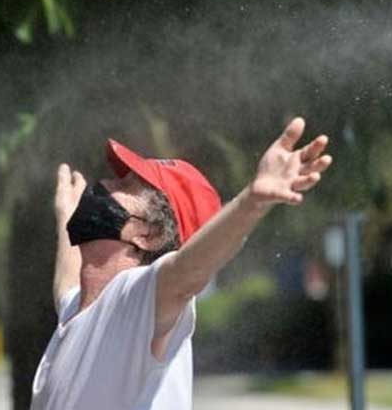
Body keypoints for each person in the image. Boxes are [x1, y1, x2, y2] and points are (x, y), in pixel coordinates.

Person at [30, 117, 332, 410]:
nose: (105, 182)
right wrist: (65, 216)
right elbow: (66, 283)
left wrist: (251, 202)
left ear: (149, 233)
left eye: (127, 183)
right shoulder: (78, 310)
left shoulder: (137, 299)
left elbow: (189, 271)